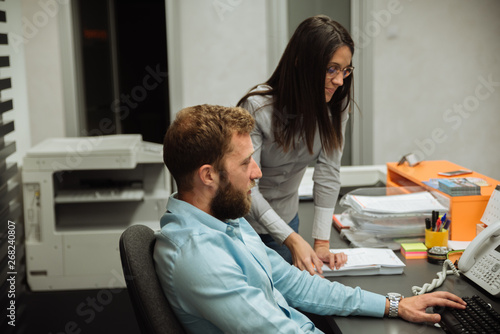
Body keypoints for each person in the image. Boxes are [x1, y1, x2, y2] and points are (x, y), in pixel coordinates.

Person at [154, 104, 466, 333]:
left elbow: (296, 285)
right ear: (208, 175)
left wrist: (393, 305)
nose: (257, 172)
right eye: (246, 162)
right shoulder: (200, 256)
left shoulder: (223, 219)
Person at [237, 15, 355, 275]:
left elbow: (328, 171)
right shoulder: (258, 108)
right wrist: (290, 238)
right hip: (245, 223)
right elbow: (246, 184)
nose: (339, 81)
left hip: (288, 218)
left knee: (299, 292)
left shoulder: (336, 107)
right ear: (301, 64)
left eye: (345, 70)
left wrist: (321, 242)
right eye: (331, 69)